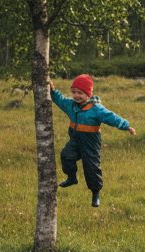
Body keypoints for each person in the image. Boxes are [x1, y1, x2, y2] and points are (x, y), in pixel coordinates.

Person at [50, 73, 136, 208]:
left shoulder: (96, 109)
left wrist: (126, 126)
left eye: (80, 93)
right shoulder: (71, 105)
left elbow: (111, 117)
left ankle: (95, 193)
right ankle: (72, 178)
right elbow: (59, 100)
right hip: (75, 140)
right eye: (74, 92)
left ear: (88, 94)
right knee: (66, 156)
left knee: (91, 167)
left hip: (90, 142)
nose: (76, 95)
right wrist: (51, 90)